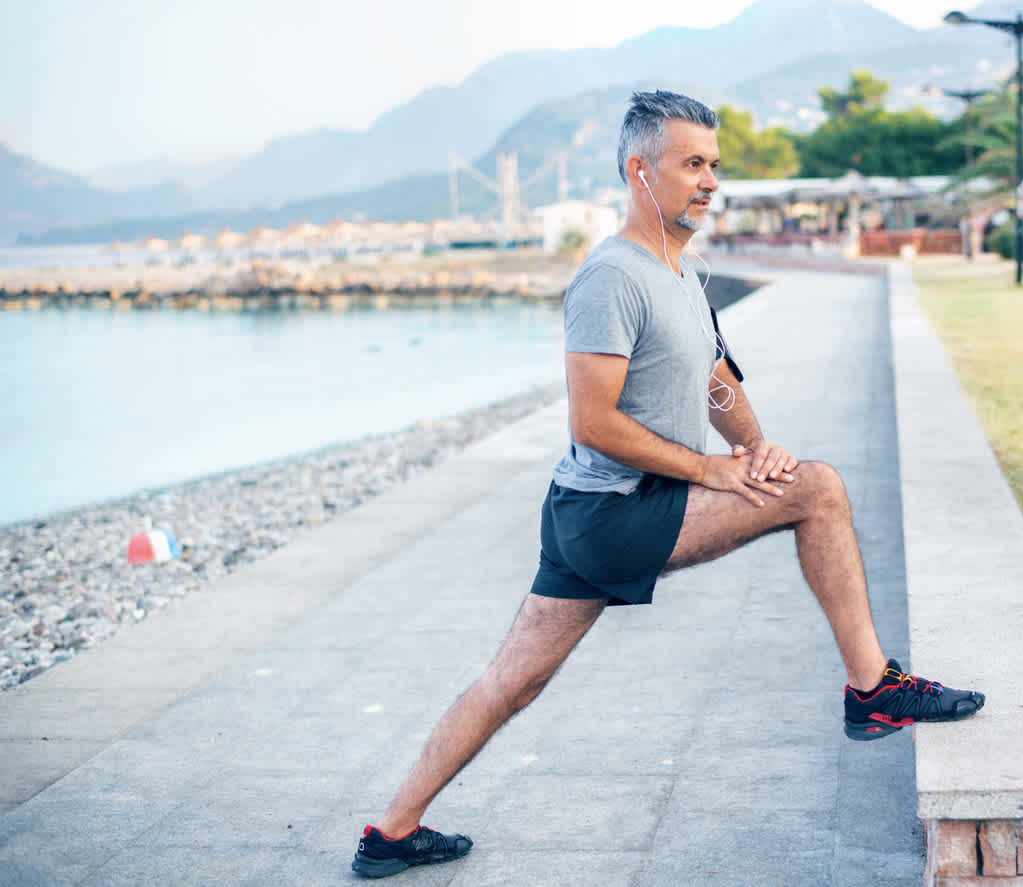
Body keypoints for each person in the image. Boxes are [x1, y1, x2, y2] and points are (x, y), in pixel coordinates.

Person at [350, 90, 985, 880]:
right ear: (639, 171)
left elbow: (714, 377)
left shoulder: (684, 272)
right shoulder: (609, 278)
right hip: (609, 511)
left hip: (603, 510)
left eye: (714, 164)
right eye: (692, 164)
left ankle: (390, 832)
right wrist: (711, 469)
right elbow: (594, 422)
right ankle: (873, 690)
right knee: (819, 491)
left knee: (513, 680)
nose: (710, 180)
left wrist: (757, 451)